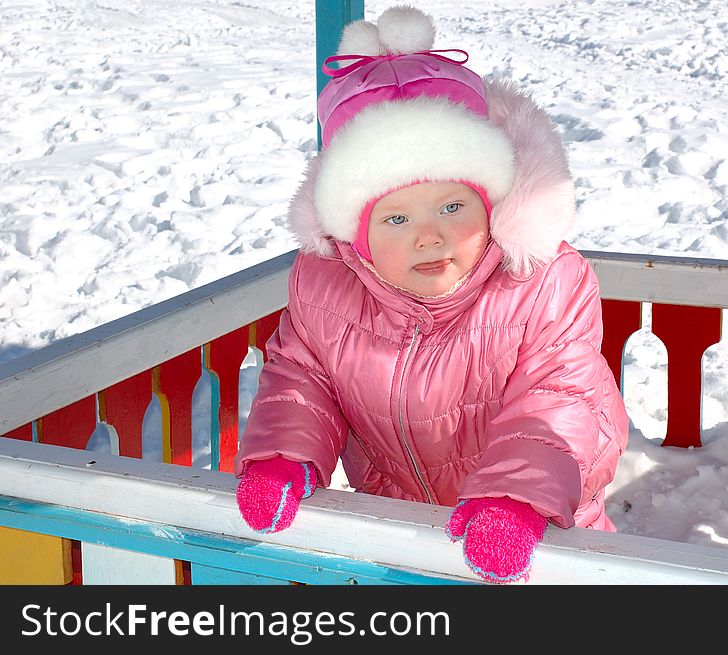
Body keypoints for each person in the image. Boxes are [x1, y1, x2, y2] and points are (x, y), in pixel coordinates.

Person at [234, 5, 629, 584]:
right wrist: (283, 456)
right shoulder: (326, 284)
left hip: (543, 536)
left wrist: (517, 498)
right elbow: (301, 375)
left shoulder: (540, 283)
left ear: (490, 203)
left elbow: (562, 397)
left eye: (452, 206)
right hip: (402, 537)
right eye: (395, 218)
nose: (430, 234)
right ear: (357, 234)